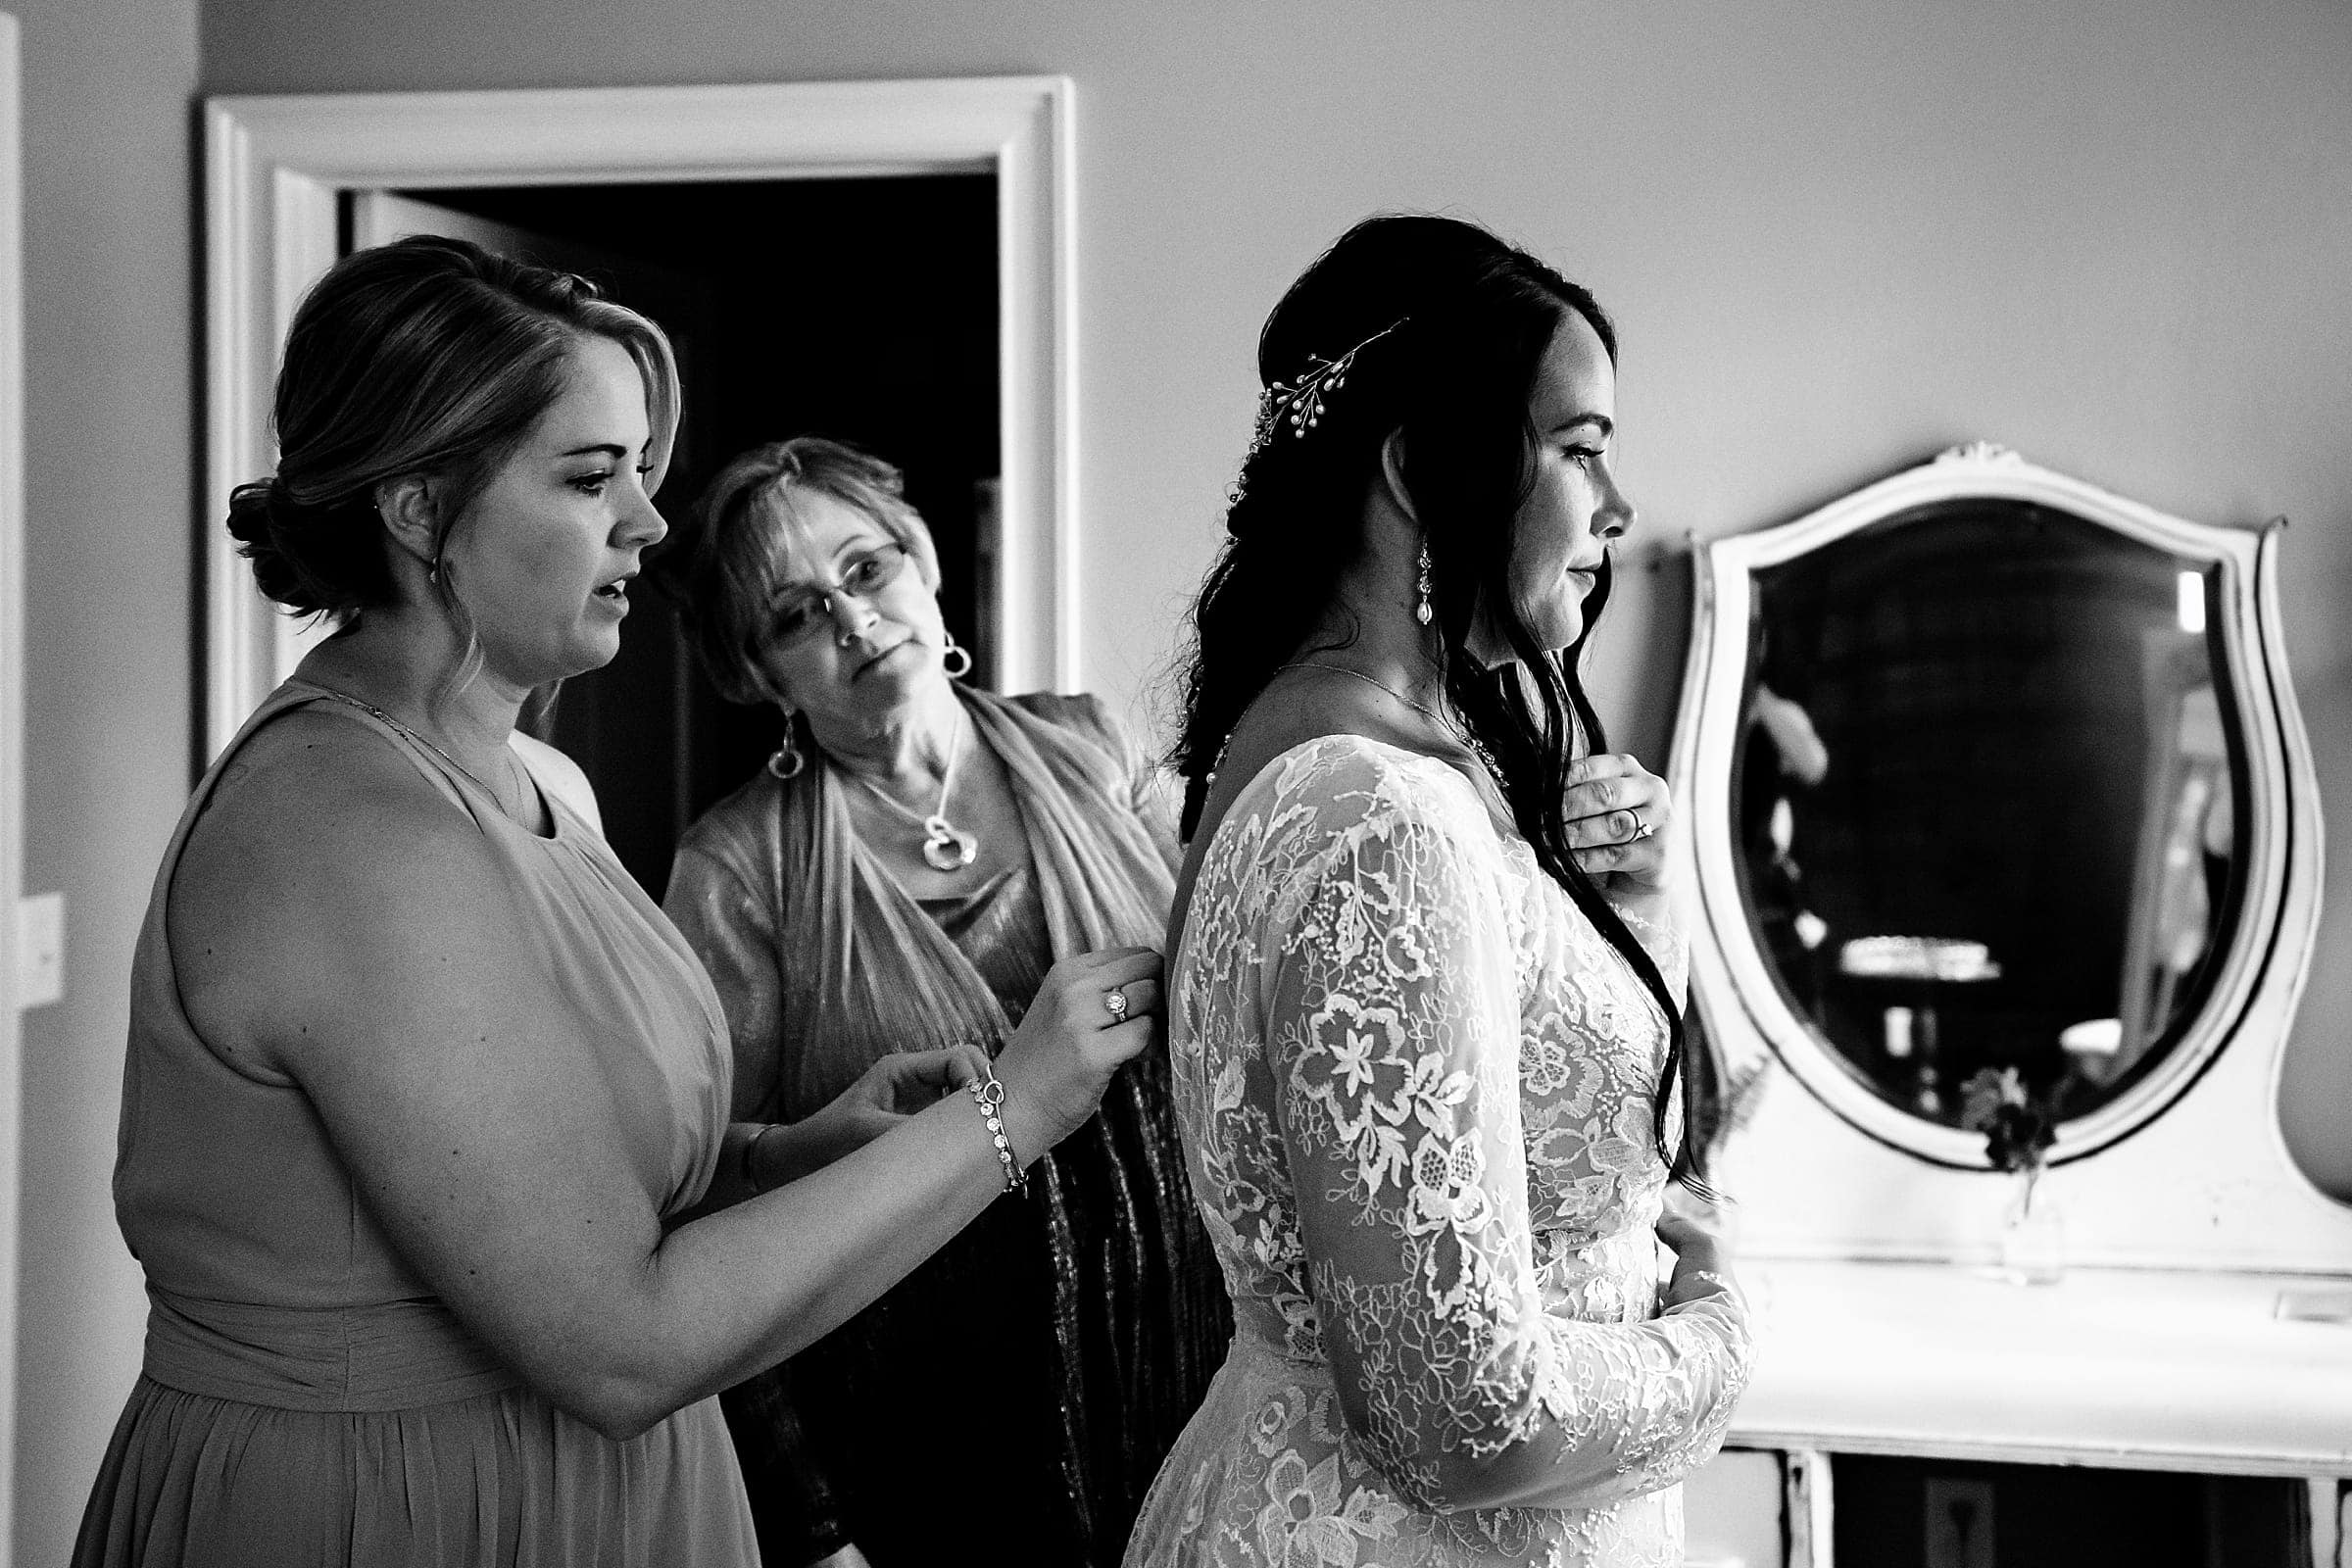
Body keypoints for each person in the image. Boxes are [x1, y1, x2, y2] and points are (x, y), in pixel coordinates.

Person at [74, 236, 1162, 1568]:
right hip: (403, 1509)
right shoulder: (344, 831)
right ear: (418, 510)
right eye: (594, 479)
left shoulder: (544, 781)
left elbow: (577, 1185)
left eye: (640, 474)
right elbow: (618, 1342)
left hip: (609, 1493)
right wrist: (1024, 1102)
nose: (648, 523)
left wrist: (792, 1149)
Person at [1123, 215, 1753, 1568]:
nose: (1617, 507)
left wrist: (1640, 909)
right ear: (1419, 468)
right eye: (1580, 450)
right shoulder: (1378, 817)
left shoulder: (1371, 756)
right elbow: (1465, 1418)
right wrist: (1713, 1349)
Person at [659, 436, 1230, 1568]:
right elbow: (703, 1205)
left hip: (1197, 1383)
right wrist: (813, 1532)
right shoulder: (737, 870)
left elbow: (1245, 974)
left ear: (922, 564)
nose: (852, 622)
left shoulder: (1093, 744)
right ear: (762, 677)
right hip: (929, 1442)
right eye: (795, 615)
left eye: (866, 571)